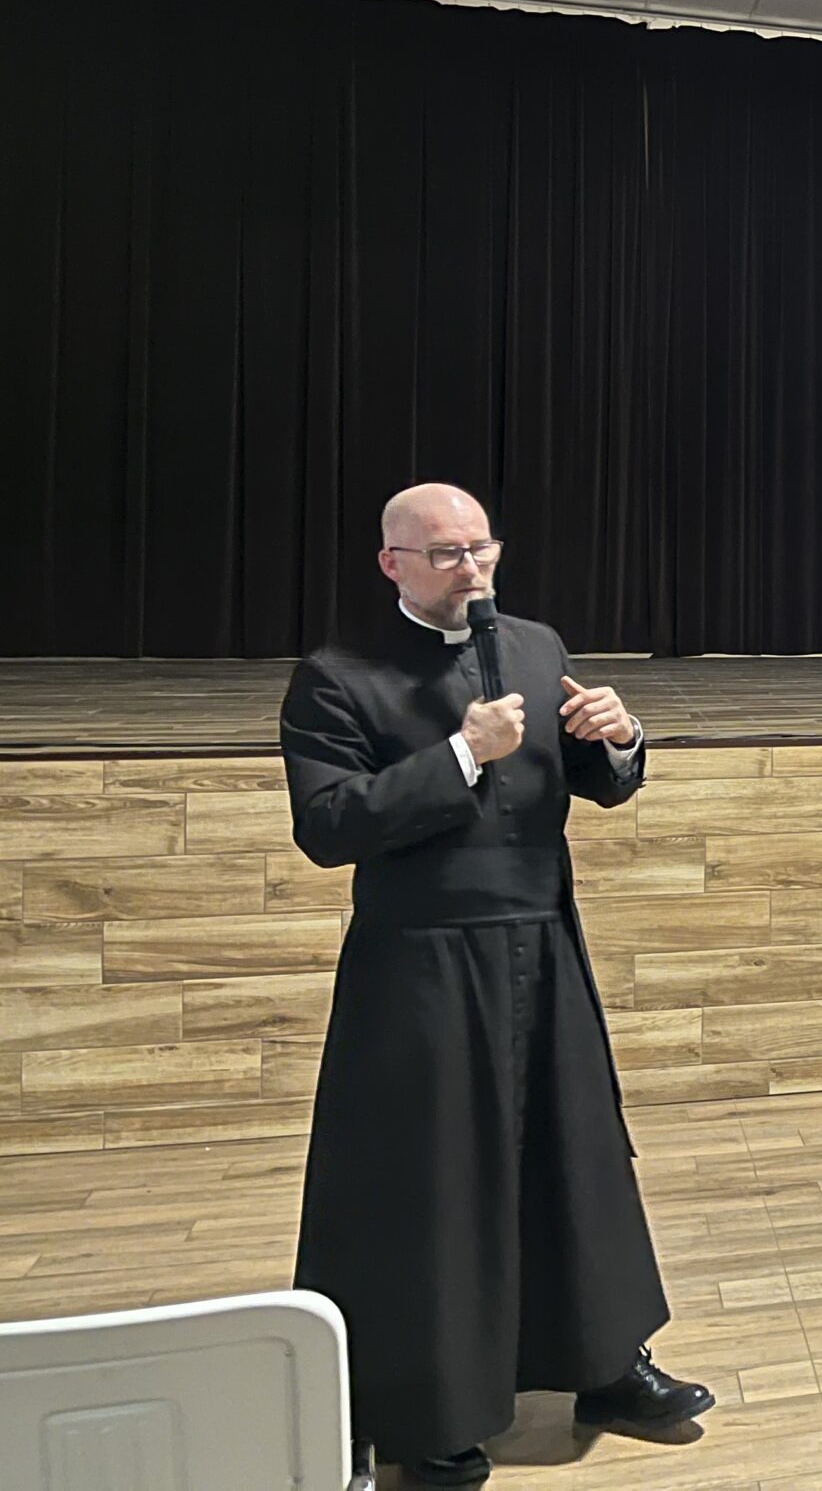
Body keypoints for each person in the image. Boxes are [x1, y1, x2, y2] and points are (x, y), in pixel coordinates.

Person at [278, 484, 714, 1488]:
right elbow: (328, 826)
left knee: (575, 1156)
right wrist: (461, 754)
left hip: (542, 942)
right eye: (444, 553)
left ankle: (605, 1365)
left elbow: (590, 781)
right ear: (391, 563)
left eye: (480, 548)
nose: (469, 568)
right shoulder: (337, 677)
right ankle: (425, 1413)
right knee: (429, 1185)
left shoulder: (533, 645)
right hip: (422, 965)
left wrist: (619, 737)